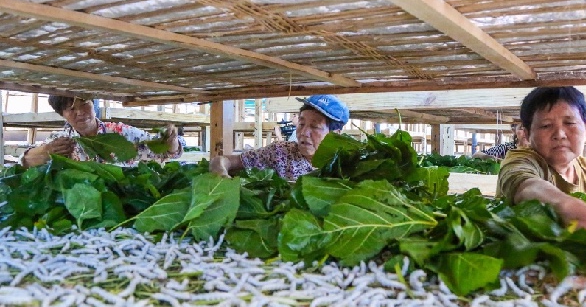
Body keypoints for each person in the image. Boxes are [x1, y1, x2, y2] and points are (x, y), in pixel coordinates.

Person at [496, 86, 586, 233]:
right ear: (527, 135)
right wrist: (571, 209)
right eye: (546, 126)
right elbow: (526, 185)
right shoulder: (522, 160)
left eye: (569, 123)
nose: (559, 134)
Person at [210, 94, 349, 180]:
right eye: (301, 123)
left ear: (335, 134)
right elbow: (221, 160)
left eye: (315, 126)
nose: (304, 132)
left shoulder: (346, 166)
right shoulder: (280, 153)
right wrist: (222, 175)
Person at [20, 95, 183, 168]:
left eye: (84, 104)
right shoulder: (60, 140)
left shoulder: (120, 132)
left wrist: (171, 142)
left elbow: (168, 153)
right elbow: (24, 161)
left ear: (93, 104)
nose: (79, 112)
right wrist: (44, 152)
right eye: (70, 109)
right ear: (62, 115)